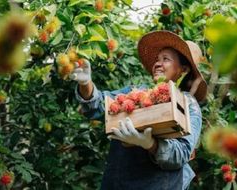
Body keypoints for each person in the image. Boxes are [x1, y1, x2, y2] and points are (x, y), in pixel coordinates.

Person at [72, 30, 207, 190]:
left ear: (184, 69)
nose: (157, 63)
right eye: (157, 59)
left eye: (165, 59)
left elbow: (181, 154)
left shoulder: (188, 104)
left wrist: (150, 143)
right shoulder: (136, 92)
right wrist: (85, 83)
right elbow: (99, 106)